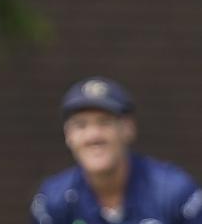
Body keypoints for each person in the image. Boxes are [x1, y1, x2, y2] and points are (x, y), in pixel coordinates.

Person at [31, 76, 202, 224]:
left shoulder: (174, 192)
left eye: (104, 122)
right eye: (81, 125)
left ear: (128, 129)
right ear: (68, 136)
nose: (93, 136)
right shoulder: (54, 199)